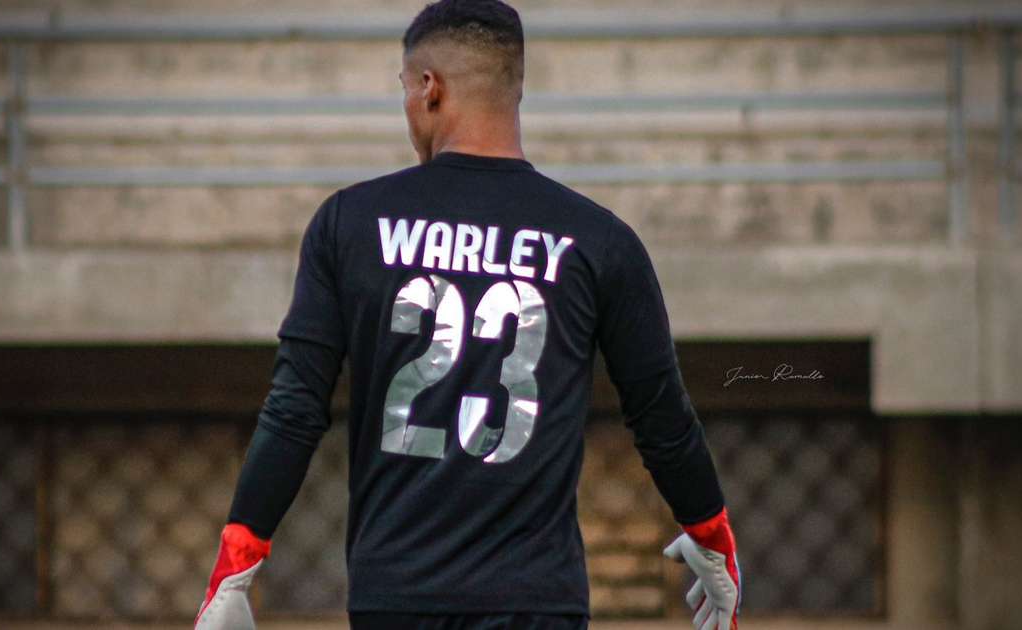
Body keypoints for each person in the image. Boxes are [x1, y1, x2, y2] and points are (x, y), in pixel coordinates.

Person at [194, 1, 740, 628]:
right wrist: (711, 534)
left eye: (404, 88)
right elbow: (662, 418)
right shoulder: (598, 240)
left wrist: (237, 568)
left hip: (396, 597)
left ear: (430, 89)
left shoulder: (350, 223)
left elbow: (294, 409)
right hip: (536, 602)